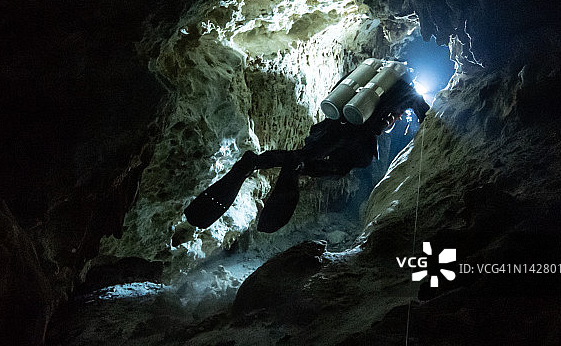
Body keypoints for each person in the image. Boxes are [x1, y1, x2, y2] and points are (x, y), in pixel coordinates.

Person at [184, 72, 430, 233]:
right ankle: (292, 166)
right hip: (358, 139)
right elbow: (426, 114)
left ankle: (256, 162)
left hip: (333, 126)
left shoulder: (367, 78)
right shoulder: (406, 91)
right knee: (343, 166)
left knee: (307, 155)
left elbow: (337, 94)